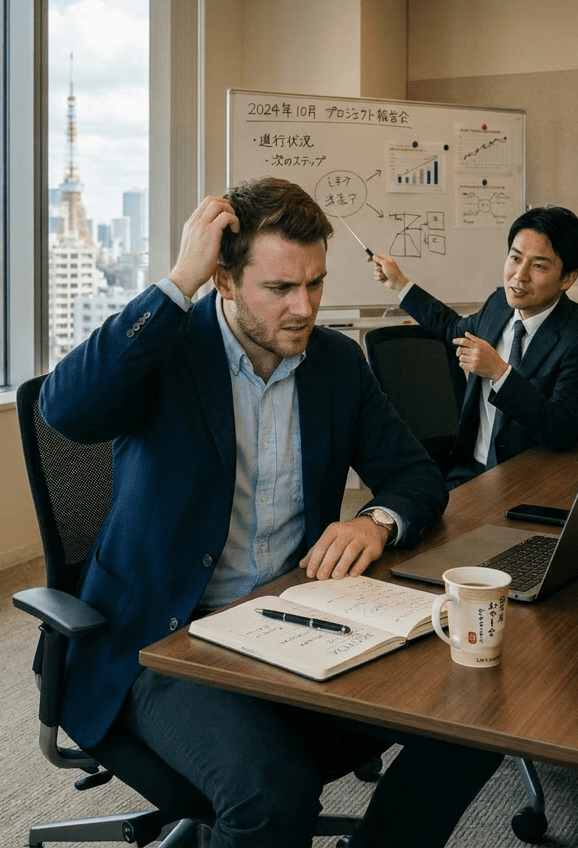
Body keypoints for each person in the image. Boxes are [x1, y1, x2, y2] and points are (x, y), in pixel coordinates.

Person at [39, 177, 503, 848]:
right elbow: (65, 411)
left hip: (297, 618)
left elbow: (414, 478)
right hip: (170, 639)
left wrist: (374, 521)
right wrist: (175, 284)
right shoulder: (165, 350)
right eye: (280, 289)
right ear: (225, 282)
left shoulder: (336, 364)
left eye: (314, 284)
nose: (304, 307)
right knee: (272, 800)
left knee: (478, 711)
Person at [371, 205, 578, 488]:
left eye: (538, 266)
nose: (519, 275)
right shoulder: (499, 304)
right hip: (468, 470)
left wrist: (500, 373)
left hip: (530, 482)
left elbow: (563, 431)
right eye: (515, 258)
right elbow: (452, 328)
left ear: (568, 278)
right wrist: (401, 284)